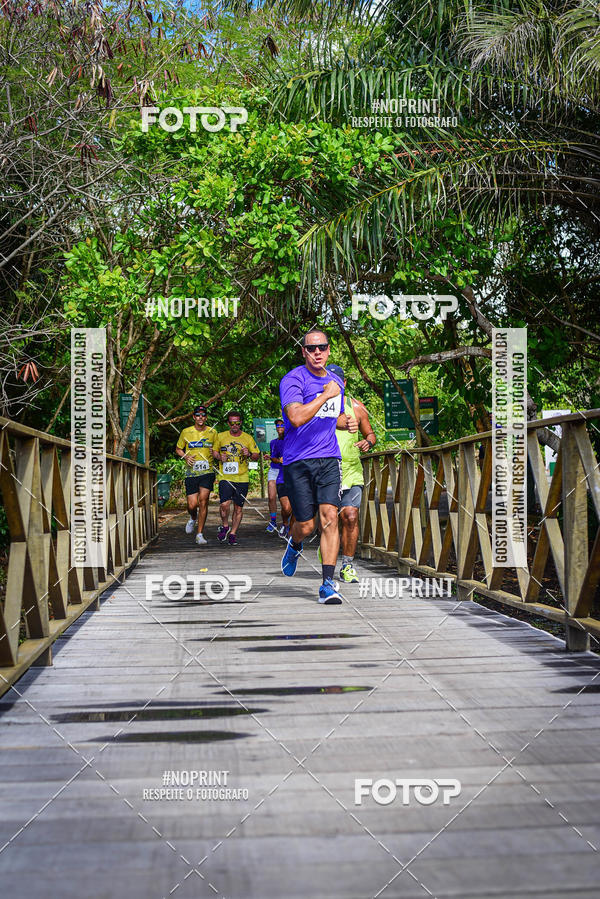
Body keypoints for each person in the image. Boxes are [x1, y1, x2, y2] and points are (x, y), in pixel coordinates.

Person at [279, 329, 358, 604]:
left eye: (322, 347)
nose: (317, 352)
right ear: (303, 351)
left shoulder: (336, 382)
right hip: (298, 461)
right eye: (311, 348)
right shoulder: (293, 379)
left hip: (329, 458)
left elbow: (332, 417)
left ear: (328, 350)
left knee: (330, 517)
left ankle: (327, 585)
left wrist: (347, 422)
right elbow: (296, 417)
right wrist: (325, 396)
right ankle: (295, 544)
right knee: (306, 525)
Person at [327, 364, 376, 583]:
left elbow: (371, 434)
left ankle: (347, 565)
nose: (333, 386)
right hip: (326, 471)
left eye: (337, 382)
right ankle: (326, 549)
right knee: (329, 520)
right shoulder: (317, 407)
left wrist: (368, 442)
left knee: (350, 516)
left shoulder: (356, 407)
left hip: (351, 471)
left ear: (344, 383)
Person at [213, 410, 260, 545]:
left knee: (238, 508)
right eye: (232, 423)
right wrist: (219, 457)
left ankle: (233, 533)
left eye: (237, 423)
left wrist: (249, 453)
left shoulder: (248, 438)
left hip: (242, 477)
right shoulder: (221, 436)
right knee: (224, 504)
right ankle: (225, 525)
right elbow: (214, 452)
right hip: (226, 476)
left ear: (241, 423)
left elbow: (256, 455)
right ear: (228, 424)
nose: (235, 425)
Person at [175, 405, 218, 545]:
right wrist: (186, 456)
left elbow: (217, 450)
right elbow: (178, 449)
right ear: (194, 417)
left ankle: (199, 534)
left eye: (203, 415)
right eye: (198, 415)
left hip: (207, 471)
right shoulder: (186, 432)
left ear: (206, 417)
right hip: (191, 472)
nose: (201, 417)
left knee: (203, 501)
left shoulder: (213, 432)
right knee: (192, 505)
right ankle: (193, 518)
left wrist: (215, 453)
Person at [266, 419, 285, 533]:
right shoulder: (273, 442)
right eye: (278, 425)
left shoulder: (291, 440)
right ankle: (273, 521)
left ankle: (285, 523)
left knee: (285, 501)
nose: (279, 427)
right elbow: (274, 457)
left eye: (282, 425)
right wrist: (276, 460)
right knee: (271, 497)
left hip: (286, 471)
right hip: (274, 470)